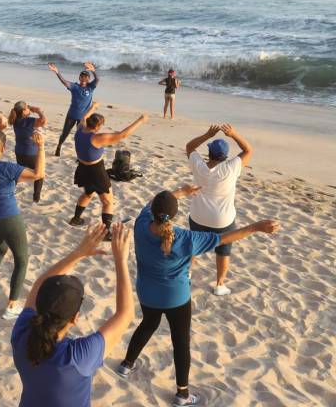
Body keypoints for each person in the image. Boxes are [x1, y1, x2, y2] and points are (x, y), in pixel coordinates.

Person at [115, 187, 279, 406]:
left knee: (148, 324)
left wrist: (180, 192)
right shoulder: (185, 238)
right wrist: (256, 227)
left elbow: (151, 201)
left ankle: (127, 364)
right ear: (173, 215)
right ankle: (182, 394)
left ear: (153, 212)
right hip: (176, 298)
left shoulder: (140, 223)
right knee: (181, 341)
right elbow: (225, 237)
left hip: (147, 292)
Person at [11, 223, 134, 407]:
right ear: (75, 318)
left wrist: (78, 253)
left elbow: (37, 285)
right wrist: (121, 260)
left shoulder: (21, 334)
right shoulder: (76, 359)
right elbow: (126, 314)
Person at [0, 129, 45, 319]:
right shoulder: (7, 168)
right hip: (8, 218)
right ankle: (12, 306)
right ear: (4, 148)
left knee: (0, 247)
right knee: (21, 259)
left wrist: (1, 128)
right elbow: (39, 174)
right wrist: (41, 147)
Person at [185, 124, 253, 296]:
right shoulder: (231, 168)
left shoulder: (199, 165)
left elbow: (189, 147)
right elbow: (248, 150)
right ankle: (219, 285)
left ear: (209, 153)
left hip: (198, 215)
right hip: (222, 219)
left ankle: (187, 274)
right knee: (223, 251)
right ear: (225, 156)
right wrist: (234, 134)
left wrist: (208, 134)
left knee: (195, 245)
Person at [68, 112, 146, 239]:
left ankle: (76, 219)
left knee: (88, 193)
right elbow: (122, 135)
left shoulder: (80, 130)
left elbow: (83, 117)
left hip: (83, 169)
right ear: (97, 126)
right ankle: (106, 233)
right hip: (96, 171)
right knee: (108, 202)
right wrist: (141, 120)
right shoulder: (97, 138)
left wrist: (92, 107)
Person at [48, 62, 99, 157]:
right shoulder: (74, 87)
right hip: (72, 115)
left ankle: (80, 155)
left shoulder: (91, 87)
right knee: (65, 134)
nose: (84, 79)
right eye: (82, 77)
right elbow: (64, 82)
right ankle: (59, 146)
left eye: (86, 77)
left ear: (88, 79)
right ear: (79, 78)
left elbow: (97, 79)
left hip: (83, 118)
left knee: (81, 137)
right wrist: (57, 72)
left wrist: (93, 71)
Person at [8, 101, 47, 203]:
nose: (29, 108)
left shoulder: (15, 119)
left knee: (19, 173)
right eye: (27, 108)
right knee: (40, 174)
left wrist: (29, 109)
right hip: (30, 153)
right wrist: (39, 111)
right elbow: (44, 121)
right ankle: (36, 198)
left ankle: (8, 190)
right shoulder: (28, 121)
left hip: (19, 151)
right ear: (23, 111)